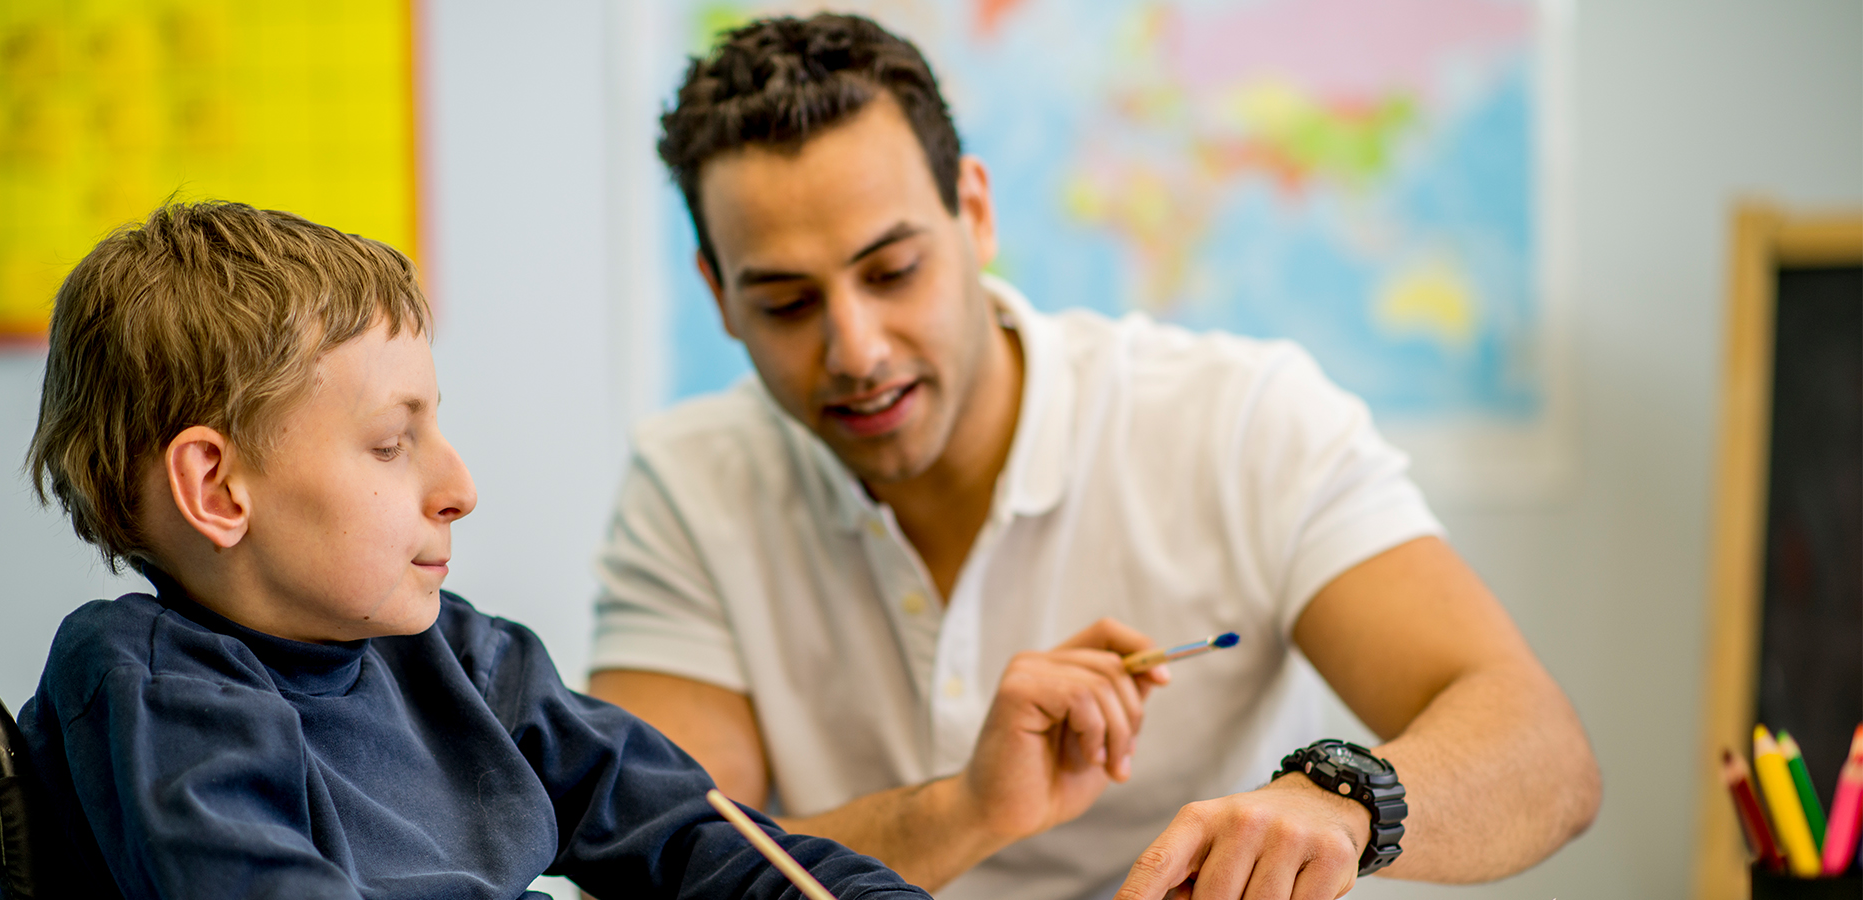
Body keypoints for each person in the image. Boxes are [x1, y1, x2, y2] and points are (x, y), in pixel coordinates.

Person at [588, 13, 1601, 900]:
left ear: (974, 212)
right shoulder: (689, 486)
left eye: (892, 270)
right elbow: (655, 866)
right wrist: (966, 810)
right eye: (786, 304)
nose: (856, 349)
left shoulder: (1244, 420)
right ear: (717, 295)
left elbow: (1543, 754)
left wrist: (1338, 800)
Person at [15, 201, 932, 900]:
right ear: (217, 489)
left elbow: (688, 828)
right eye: (389, 443)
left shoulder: (457, 653)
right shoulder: (150, 688)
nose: (460, 487)